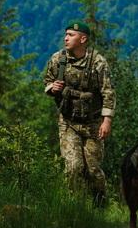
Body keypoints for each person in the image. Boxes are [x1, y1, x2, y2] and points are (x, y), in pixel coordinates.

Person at [44, 21, 115, 207]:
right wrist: (53, 88)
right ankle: (76, 207)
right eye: (65, 34)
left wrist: (106, 121)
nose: (66, 38)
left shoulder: (97, 62)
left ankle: (100, 205)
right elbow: (47, 82)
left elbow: (108, 92)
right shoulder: (57, 59)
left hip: (93, 122)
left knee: (93, 169)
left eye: (71, 35)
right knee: (73, 167)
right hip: (68, 122)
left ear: (83, 39)